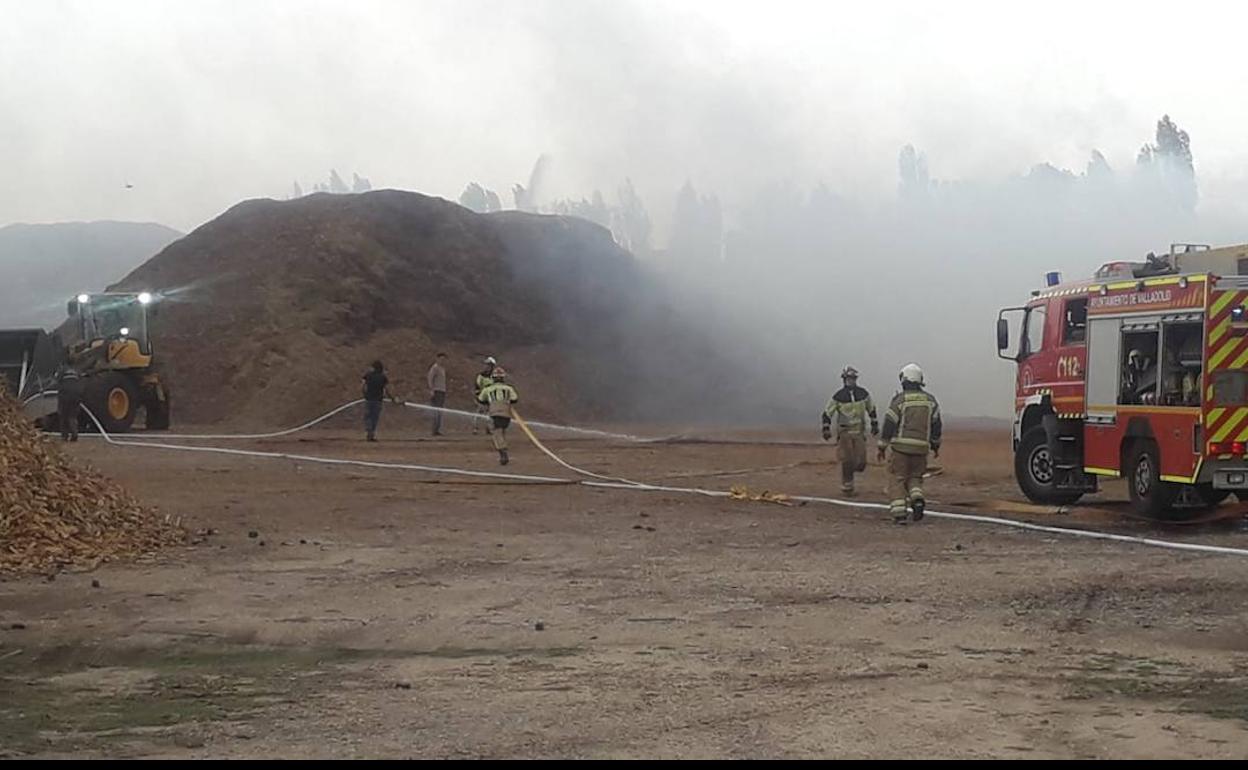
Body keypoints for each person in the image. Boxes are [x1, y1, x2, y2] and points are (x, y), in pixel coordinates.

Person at [877, 363, 942, 525]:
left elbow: (889, 424)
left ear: (904, 380)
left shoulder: (900, 400)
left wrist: (882, 446)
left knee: (897, 479)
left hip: (901, 448)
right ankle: (917, 499)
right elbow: (936, 425)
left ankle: (899, 514)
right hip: (921, 449)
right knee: (915, 477)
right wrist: (935, 445)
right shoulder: (931, 401)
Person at [821, 366, 878, 496]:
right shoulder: (838, 396)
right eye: (848, 378)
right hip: (845, 433)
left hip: (859, 432)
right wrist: (826, 428)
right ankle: (848, 487)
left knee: (861, 462)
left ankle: (852, 470)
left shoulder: (863, 394)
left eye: (852, 378)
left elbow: (871, 408)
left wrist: (874, 424)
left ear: (856, 379)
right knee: (847, 460)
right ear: (844, 379)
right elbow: (827, 413)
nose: (850, 381)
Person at [476, 366, 519, 465]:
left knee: (496, 433)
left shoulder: (488, 389)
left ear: (493, 378)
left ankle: (503, 453)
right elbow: (515, 399)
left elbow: (481, 399)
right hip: (506, 414)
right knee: (502, 431)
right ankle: (503, 449)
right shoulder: (509, 388)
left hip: (494, 413)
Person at [361, 360, 396, 441]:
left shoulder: (368, 375)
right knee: (374, 417)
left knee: (367, 416)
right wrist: (392, 398)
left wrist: (364, 394)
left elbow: (363, 386)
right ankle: (372, 432)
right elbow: (387, 389)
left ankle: (368, 430)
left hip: (369, 399)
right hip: (378, 400)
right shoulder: (383, 377)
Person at [56, 361, 83, 442]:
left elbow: (57, 380)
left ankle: (64, 436)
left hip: (65, 394)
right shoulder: (78, 370)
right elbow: (81, 381)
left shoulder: (62, 370)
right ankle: (74, 434)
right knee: (73, 416)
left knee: (63, 416)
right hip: (76, 395)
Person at [473, 356, 497, 435]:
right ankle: (475, 428)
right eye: (486, 365)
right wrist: (477, 395)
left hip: (490, 398)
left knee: (489, 413)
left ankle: (488, 428)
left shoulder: (494, 376)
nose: (487, 367)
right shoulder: (481, 375)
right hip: (482, 396)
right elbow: (477, 385)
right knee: (479, 412)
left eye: (489, 365)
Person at [427, 352, 448, 436]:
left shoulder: (442, 368)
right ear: (437, 359)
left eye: (444, 359)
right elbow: (430, 379)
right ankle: (434, 430)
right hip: (437, 391)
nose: (442, 361)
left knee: (440, 411)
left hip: (442, 391)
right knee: (436, 411)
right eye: (441, 359)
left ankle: (437, 429)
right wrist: (431, 390)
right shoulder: (435, 368)